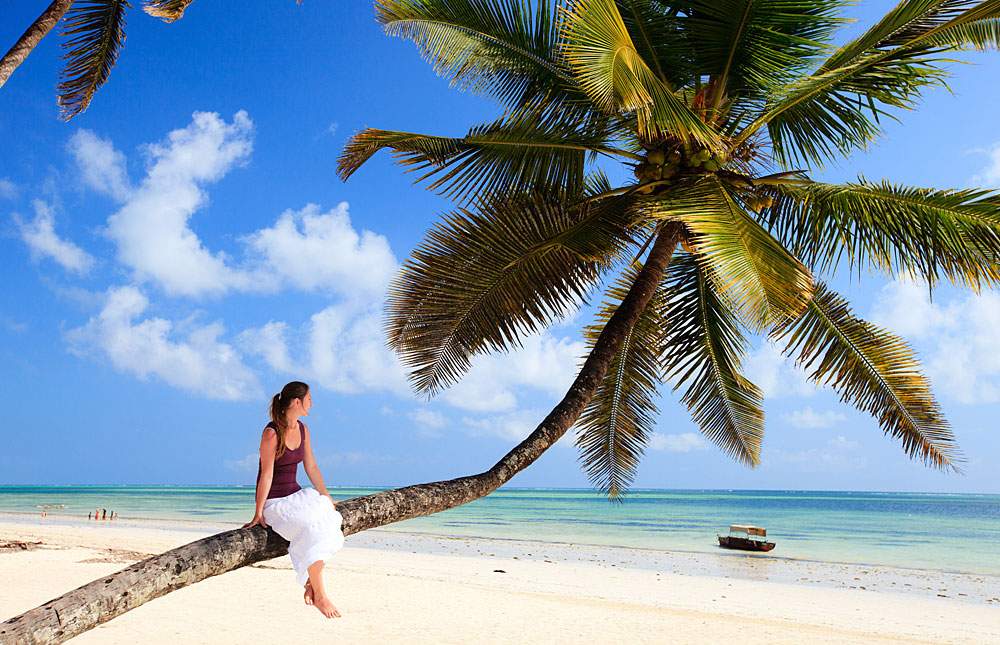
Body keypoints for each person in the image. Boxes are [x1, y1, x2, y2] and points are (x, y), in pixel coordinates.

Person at [243, 381, 345, 619]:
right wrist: (258, 512)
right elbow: (266, 474)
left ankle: (312, 583)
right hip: (276, 502)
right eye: (309, 399)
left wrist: (326, 495)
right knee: (310, 527)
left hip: (297, 495)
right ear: (297, 402)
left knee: (330, 519)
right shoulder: (271, 433)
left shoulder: (304, 429)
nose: (312, 404)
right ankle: (320, 594)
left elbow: (311, 466)